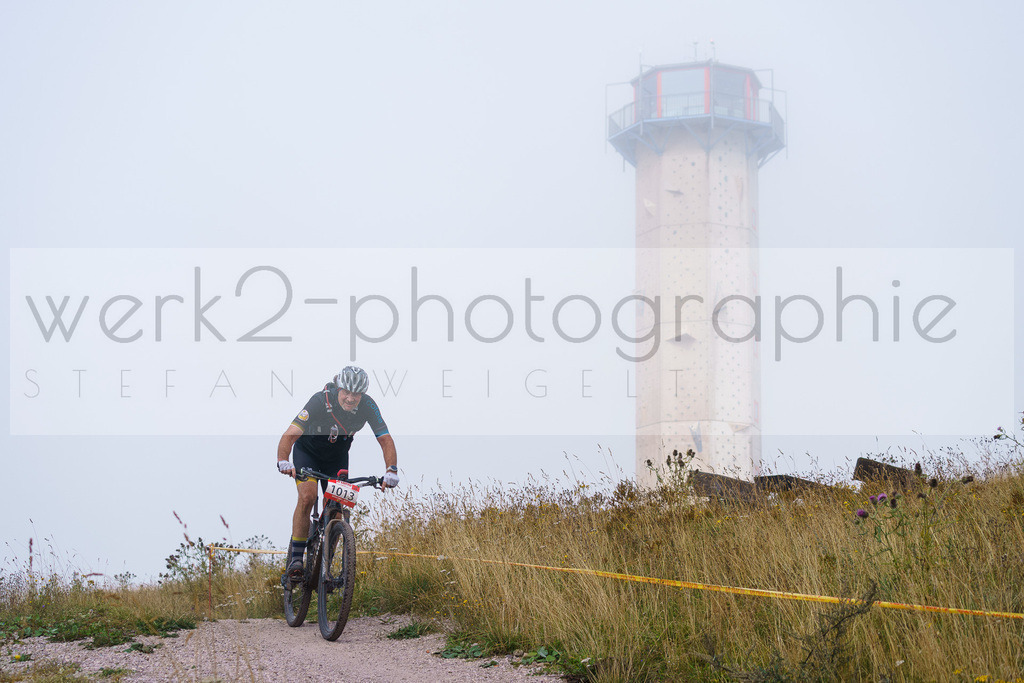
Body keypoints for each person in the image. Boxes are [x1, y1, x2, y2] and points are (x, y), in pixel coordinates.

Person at [276, 366, 398, 580]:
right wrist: (283, 460)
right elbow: (290, 434)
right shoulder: (319, 401)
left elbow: (385, 439)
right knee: (308, 496)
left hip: (337, 459)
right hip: (308, 454)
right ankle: (296, 559)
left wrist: (391, 469)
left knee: (337, 510)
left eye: (356, 394)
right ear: (338, 388)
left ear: (363, 394)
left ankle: (325, 566)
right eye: (346, 393)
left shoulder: (368, 406)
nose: (351, 398)